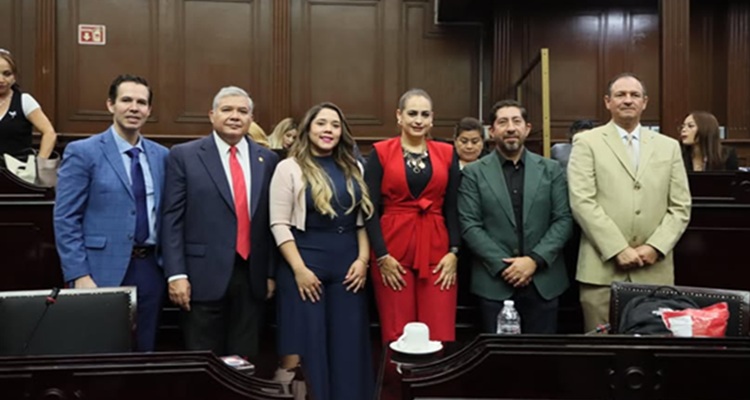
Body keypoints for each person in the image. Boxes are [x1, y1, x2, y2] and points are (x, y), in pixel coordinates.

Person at [567, 73, 691, 332]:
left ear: (644, 102)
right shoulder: (587, 142)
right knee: (601, 348)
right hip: (602, 270)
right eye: (620, 95)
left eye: (634, 95)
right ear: (607, 102)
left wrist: (656, 247)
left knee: (651, 346)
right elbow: (582, 201)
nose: (627, 100)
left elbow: (680, 206)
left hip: (654, 269)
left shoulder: (668, 147)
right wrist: (617, 248)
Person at [161, 86, 279, 359]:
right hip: (200, 277)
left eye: (242, 111)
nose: (235, 116)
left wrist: (271, 273)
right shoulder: (184, 155)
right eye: (227, 110)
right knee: (203, 361)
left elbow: (272, 222)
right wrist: (176, 274)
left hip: (252, 277)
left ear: (251, 119)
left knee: (245, 362)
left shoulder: (268, 159)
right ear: (212, 115)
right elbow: (172, 218)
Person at [54, 74, 168, 351]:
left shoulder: (162, 156)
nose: (134, 108)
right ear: (110, 105)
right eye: (126, 100)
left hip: (151, 267)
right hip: (98, 270)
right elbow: (66, 218)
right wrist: (78, 274)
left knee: (144, 349)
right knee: (100, 352)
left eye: (141, 102)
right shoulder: (83, 152)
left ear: (149, 110)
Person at [270, 102, 374, 400]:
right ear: (308, 128)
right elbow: (279, 224)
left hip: (349, 268)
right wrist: (299, 270)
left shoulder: (354, 167)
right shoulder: (288, 168)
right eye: (321, 123)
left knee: (348, 346)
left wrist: (363, 260)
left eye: (335, 125)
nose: (328, 130)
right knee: (309, 345)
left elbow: (362, 221)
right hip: (304, 265)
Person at [458, 99, 572, 334]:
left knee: (542, 355)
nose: (510, 128)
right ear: (492, 131)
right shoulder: (473, 173)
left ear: (527, 128)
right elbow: (470, 225)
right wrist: (506, 268)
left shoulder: (551, 170)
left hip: (543, 281)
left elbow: (563, 219)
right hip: (494, 282)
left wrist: (534, 261)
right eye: (503, 122)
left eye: (516, 121)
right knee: (498, 357)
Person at [364, 88, 461, 344]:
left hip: (438, 251)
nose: (418, 120)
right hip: (392, 251)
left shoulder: (447, 153)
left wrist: (454, 252)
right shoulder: (380, 152)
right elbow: (369, 208)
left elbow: (453, 207)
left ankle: (437, 374)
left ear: (432, 119)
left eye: (424, 114)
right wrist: (381, 256)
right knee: (398, 332)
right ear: (399, 116)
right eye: (412, 113)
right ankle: (396, 373)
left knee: (438, 331)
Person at [0, 49, 57, 166]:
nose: (1, 80)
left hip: (17, 172)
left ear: (14, 77)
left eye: (7, 74)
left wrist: (39, 164)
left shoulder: (24, 101)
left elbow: (49, 133)